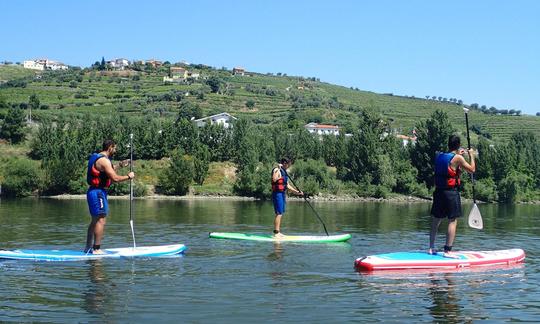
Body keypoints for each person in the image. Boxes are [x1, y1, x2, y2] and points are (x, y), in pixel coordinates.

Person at [429, 135, 475, 257]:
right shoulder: (458, 158)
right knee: (452, 220)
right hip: (450, 192)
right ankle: (447, 251)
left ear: (449, 144)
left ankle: (431, 248)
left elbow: (451, 162)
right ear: (458, 145)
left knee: (436, 220)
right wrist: (471, 155)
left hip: (439, 191)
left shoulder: (439, 156)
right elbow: (472, 170)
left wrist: (458, 154)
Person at [85, 139, 134, 254]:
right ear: (110, 147)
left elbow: (106, 171)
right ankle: (96, 249)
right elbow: (115, 178)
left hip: (94, 191)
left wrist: (121, 165)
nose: (115, 150)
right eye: (115, 148)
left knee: (95, 220)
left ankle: (88, 247)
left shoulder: (97, 157)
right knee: (101, 220)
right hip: (98, 193)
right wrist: (128, 176)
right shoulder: (104, 161)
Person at [271, 158, 303, 238]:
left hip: (282, 194)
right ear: (284, 163)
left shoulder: (284, 172)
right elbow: (274, 179)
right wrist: (278, 168)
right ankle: (276, 233)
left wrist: (297, 192)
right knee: (279, 213)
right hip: (277, 194)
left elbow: (287, 185)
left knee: (280, 213)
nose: (289, 166)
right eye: (289, 164)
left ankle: (278, 232)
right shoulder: (276, 169)